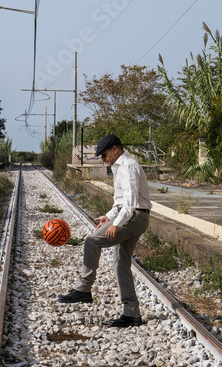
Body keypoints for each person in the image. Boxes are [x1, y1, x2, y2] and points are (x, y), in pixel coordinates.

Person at [58, 134, 151, 327]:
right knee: (121, 262)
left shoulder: (129, 167)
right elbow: (120, 202)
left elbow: (131, 203)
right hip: (134, 216)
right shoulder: (118, 168)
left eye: (105, 154)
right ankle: (132, 313)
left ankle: (83, 288)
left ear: (116, 149)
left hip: (134, 217)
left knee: (92, 240)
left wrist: (116, 224)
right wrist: (109, 217)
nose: (103, 159)